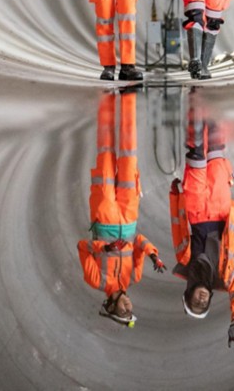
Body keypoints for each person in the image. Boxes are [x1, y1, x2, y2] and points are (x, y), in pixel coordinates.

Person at [78, 89, 166, 326]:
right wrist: (153, 255)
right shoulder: (134, 276)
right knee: (129, 154)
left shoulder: (95, 280)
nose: (129, 308)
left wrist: (105, 248)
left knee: (106, 152)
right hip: (128, 216)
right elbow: (138, 241)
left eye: (123, 312)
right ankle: (128, 98)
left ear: (110, 306)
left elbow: (83, 247)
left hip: (104, 215)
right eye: (131, 311)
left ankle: (106, 98)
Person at [169, 100, 234, 347]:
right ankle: (214, 99)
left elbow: (176, 223)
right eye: (204, 303)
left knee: (196, 154)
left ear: (188, 293)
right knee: (216, 150)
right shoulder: (224, 274)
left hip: (194, 207)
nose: (201, 299)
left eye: (195, 301)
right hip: (219, 207)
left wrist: (175, 196)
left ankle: (196, 99)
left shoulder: (184, 259)